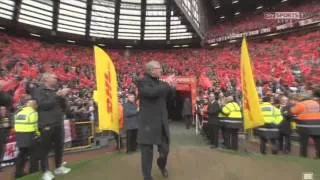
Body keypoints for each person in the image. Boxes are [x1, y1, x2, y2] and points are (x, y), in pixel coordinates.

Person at [136, 60, 176, 180]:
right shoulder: (142, 81)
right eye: (159, 68)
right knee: (147, 153)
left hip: (161, 122)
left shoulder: (161, 83)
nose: (161, 70)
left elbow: (170, 99)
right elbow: (151, 92)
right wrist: (167, 83)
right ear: (151, 70)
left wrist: (173, 87)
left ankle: (161, 164)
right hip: (147, 123)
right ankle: (147, 176)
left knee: (165, 150)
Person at [33, 73, 71, 180]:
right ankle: (45, 172)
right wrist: (57, 96)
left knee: (59, 146)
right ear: (46, 79)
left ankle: (58, 167)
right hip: (46, 123)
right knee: (45, 148)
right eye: (54, 77)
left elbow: (62, 107)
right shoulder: (39, 90)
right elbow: (43, 105)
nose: (56, 79)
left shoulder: (55, 91)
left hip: (58, 122)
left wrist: (63, 98)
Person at [14, 99, 40, 178]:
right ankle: (34, 171)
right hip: (30, 135)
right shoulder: (33, 113)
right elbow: (35, 125)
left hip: (19, 135)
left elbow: (15, 124)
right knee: (34, 154)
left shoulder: (19, 112)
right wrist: (38, 134)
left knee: (22, 154)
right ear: (33, 105)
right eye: (36, 105)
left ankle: (18, 173)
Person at [291, 91, 320, 158]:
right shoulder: (316, 103)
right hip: (317, 125)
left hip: (305, 125)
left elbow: (293, 112)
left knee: (304, 142)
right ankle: (318, 156)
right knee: (318, 142)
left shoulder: (301, 104)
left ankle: (303, 156)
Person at [0, 80, 12, 172]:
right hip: (4, 124)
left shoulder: (6, 97)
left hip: (4, 124)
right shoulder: (7, 96)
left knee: (2, 146)